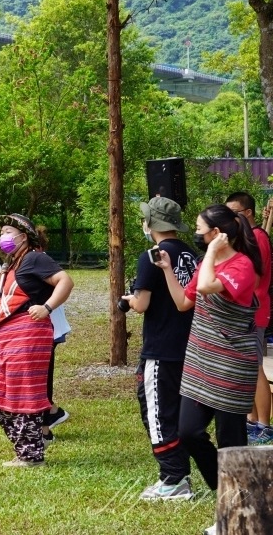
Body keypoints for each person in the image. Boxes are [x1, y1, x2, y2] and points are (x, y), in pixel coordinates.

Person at [155, 204, 262, 495]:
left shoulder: (242, 266)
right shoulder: (206, 264)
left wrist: (213, 253)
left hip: (232, 365)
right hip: (201, 366)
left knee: (232, 442)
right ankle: (227, 492)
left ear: (216, 234)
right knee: (188, 432)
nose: (198, 236)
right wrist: (167, 270)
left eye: (201, 231)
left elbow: (204, 288)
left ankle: (239, 500)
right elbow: (183, 303)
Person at [0, 213, 74, 467]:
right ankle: (28, 448)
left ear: (24, 236)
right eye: (2, 232)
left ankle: (31, 455)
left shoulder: (34, 258)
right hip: (8, 338)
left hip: (29, 334)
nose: (3, 236)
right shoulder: (14, 262)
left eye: (9, 231)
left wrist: (47, 307)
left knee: (25, 395)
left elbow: (65, 281)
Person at [120, 196, 197, 500]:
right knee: (175, 411)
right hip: (189, 346)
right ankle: (178, 474)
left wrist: (128, 299)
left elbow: (141, 304)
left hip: (161, 348)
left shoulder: (152, 255)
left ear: (151, 223)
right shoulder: (191, 254)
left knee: (156, 412)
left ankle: (173, 478)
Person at [224, 192, 273, 444]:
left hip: (253, 313)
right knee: (246, 370)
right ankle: (251, 421)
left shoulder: (257, 238)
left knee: (255, 369)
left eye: (234, 213)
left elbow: (252, 278)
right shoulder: (250, 237)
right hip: (245, 313)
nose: (230, 218)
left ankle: (264, 425)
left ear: (248, 213)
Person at [37, 226, 72, 443]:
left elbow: (65, 283)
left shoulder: (39, 260)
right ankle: (52, 412)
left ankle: (46, 427)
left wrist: (46, 309)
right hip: (43, 328)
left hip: (46, 328)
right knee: (41, 377)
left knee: (42, 378)